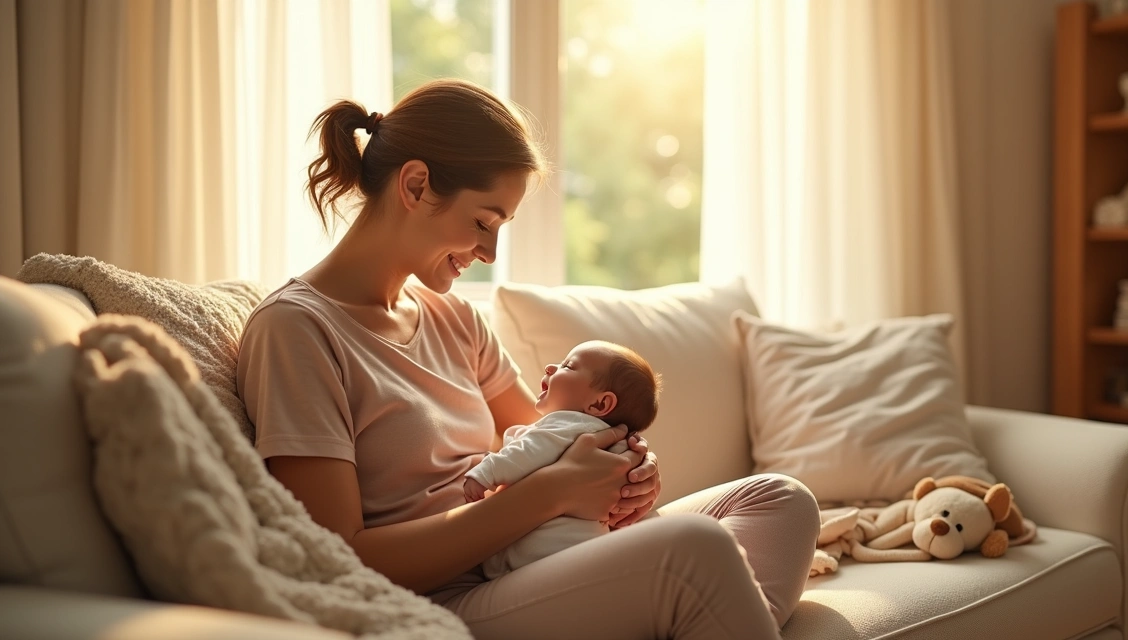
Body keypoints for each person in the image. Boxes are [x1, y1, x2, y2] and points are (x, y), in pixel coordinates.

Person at [236, 78, 820, 640]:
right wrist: (547, 495)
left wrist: (626, 471)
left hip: (533, 556)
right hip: (444, 596)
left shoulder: (454, 319)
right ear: (414, 186)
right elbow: (336, 559)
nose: (489, 253)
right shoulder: (298, 330)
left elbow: (557, 434)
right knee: (697, 549)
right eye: (483, 222)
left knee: (778, 499)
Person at [464, 340, 661, 578]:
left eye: (567, 366)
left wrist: (485, 472)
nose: (550, 367)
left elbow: (527, 452)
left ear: (599, 404)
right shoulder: (609, 439)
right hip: (581, 550)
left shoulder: (567, 425)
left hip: (540, 555)